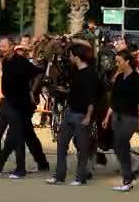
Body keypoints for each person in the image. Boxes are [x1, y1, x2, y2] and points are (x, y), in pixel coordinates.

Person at [0, 38, 46, 179]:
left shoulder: (21, 61)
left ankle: (20, 170)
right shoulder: (5, 62)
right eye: (0, 47)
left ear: (12, 47)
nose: (1, 49)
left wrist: (32, 90)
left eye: (4, 46)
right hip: (6, 102)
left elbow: (39, 72)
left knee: (17, 136)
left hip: (19, 104)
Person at [46, 44, 98, 186]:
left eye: (70, 55)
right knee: (61, 143)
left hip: (81, 115)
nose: (69, 58)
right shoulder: (76, 73)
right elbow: (78, 92)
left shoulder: (90, 74)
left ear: (76, 56)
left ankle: (80, 178)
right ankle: (59, 176)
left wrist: (88, 116)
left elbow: (92, 97)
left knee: (82, 148)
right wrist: (64, 91)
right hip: (70, 112)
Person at [102, 49, 139, 192]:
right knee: (118, 145)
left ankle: (127, 178)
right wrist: (107, 117)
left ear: (127, 61)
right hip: (117, 116)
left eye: (119, 61)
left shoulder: (137, 79)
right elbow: (113, 101)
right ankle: (128, 174)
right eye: (116, 61)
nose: (117, 64)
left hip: (130, 117)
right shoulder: (119, 78)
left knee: (121, 144)